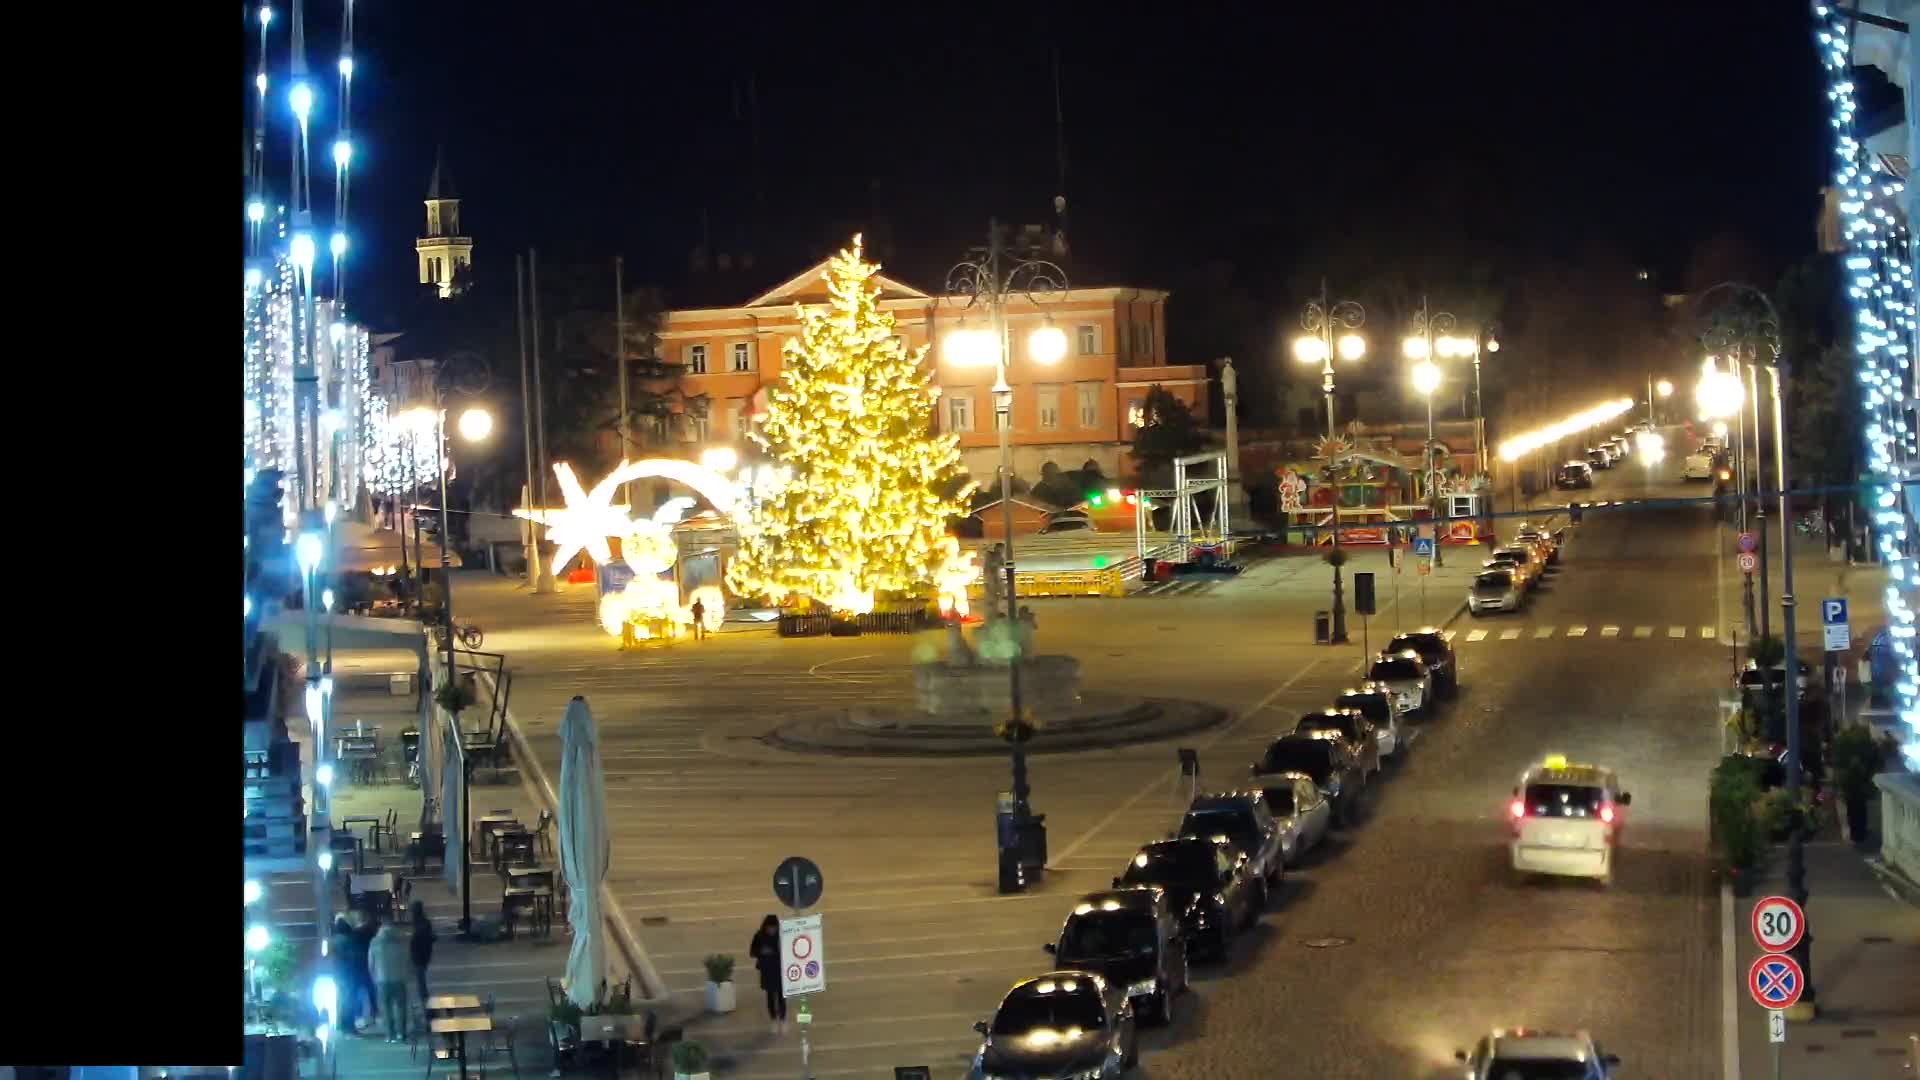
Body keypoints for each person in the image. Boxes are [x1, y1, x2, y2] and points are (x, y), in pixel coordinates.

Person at [369, 917, 411, 1042]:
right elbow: (407, 958)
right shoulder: (401, 940)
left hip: (382, 979)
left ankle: (389, 1034)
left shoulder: (375, 942)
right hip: (399, 978)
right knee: (401, 1007)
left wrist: (374, 977)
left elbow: (371, 963)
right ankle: (402, 1033)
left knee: (386, 1008)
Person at [749, 914, 787, 1034]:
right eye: (769, 928)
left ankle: (783, 1020)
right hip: (767, 971)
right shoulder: (759, 936)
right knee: (770, 997)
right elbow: (752, 952)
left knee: (781, 997)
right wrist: (761, 951)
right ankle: (773, 1020)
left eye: (774, 928)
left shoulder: (782, 936)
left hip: (780, 970)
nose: (772, 930)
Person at [330, 916, 362, 1033]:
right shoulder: (349, 940)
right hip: (348, 973)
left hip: (338, 974)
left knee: (341, 999)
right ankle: (349, 1025)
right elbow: (354, 957)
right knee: (349, 1000)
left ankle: (341, 1024)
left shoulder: (334, 940)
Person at [409, 900, 436, 1005]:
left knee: (421, 981)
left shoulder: (420, 923)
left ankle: (425, 1002)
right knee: (421, 979)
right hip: (424, 955)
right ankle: (424, 1000)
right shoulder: (424, 922)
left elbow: (418, 940)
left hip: (420, 956)